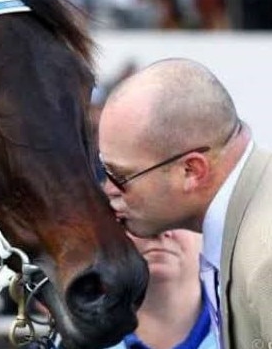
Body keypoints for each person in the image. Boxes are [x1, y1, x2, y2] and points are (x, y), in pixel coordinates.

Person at [98, 57, 272, 348]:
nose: (109, 190)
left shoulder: (263, 258)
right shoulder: (247, 226)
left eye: (121, 175)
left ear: (191, 171)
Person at [107, 230, 216, 349]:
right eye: (142, 215)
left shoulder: (238, 326)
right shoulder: (86, 338)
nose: (159, 231)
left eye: (178, 218)